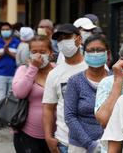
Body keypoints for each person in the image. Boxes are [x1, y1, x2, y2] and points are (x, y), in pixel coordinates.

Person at [42, 23, 87, 153]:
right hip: (64, 143)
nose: (63, 42)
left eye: (67, 37)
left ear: (79, 39)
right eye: (59, 39)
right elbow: (48, 107)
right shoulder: (54, 73)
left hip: (94, 142)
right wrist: (48, 137)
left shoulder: (94, 68)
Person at [64, 34, 111, 153]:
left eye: (100, 50)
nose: (95, 53)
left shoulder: (115, 80)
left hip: (111, 144)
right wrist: (90, 144)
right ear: (84, 54)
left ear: (108, 53)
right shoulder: (75, 81)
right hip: (80, 146)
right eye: (91, 50)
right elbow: (70, 116)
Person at [12, 35, 54, 153]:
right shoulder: (24, 70)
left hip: (55, 134)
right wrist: (33, 68)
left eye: (42, 51)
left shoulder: (57, 71)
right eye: (34, 52)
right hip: (27, 134)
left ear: (50, 53)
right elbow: (19, 93)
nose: (38, 55)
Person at [0, 22, 20, 129]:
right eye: (3, 29)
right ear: (0, 31)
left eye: (7, 29)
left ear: (11, 31)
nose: (5, 31)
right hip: (0, 75)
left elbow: (21, 58)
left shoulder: (17, 42)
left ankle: (11, 121)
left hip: (15, 75)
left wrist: (9, 52)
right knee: (0, 98)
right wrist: (2, 53)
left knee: (13, 99)